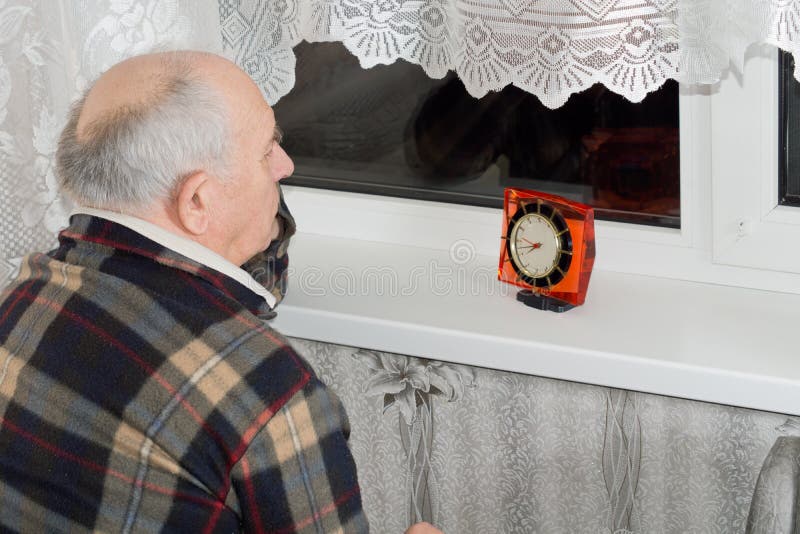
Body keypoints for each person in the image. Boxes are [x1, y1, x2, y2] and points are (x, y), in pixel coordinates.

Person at [0, 51, 442, 534]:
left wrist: (249, 209)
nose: (287, 165)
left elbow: (243, 275)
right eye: (267, 149)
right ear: (196, 201)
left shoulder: (16, 303)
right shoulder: (273, 402)